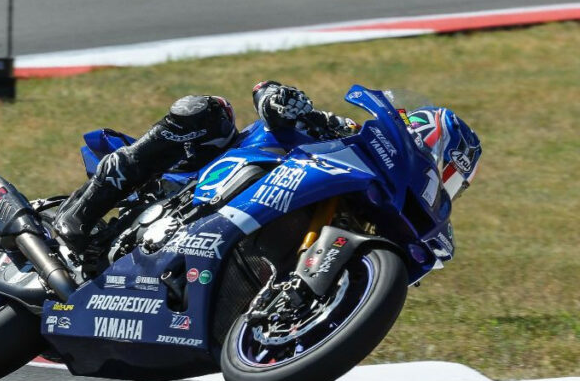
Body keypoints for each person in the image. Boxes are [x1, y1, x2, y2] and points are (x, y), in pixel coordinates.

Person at [52, 81, 481, 266]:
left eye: (453, 184)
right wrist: (284, 100)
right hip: (208, 177)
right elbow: (267, 90)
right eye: (445, 168)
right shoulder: (349, 134)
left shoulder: (389, 214)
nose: (443, 183)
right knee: (206, 111)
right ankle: (88, 208)